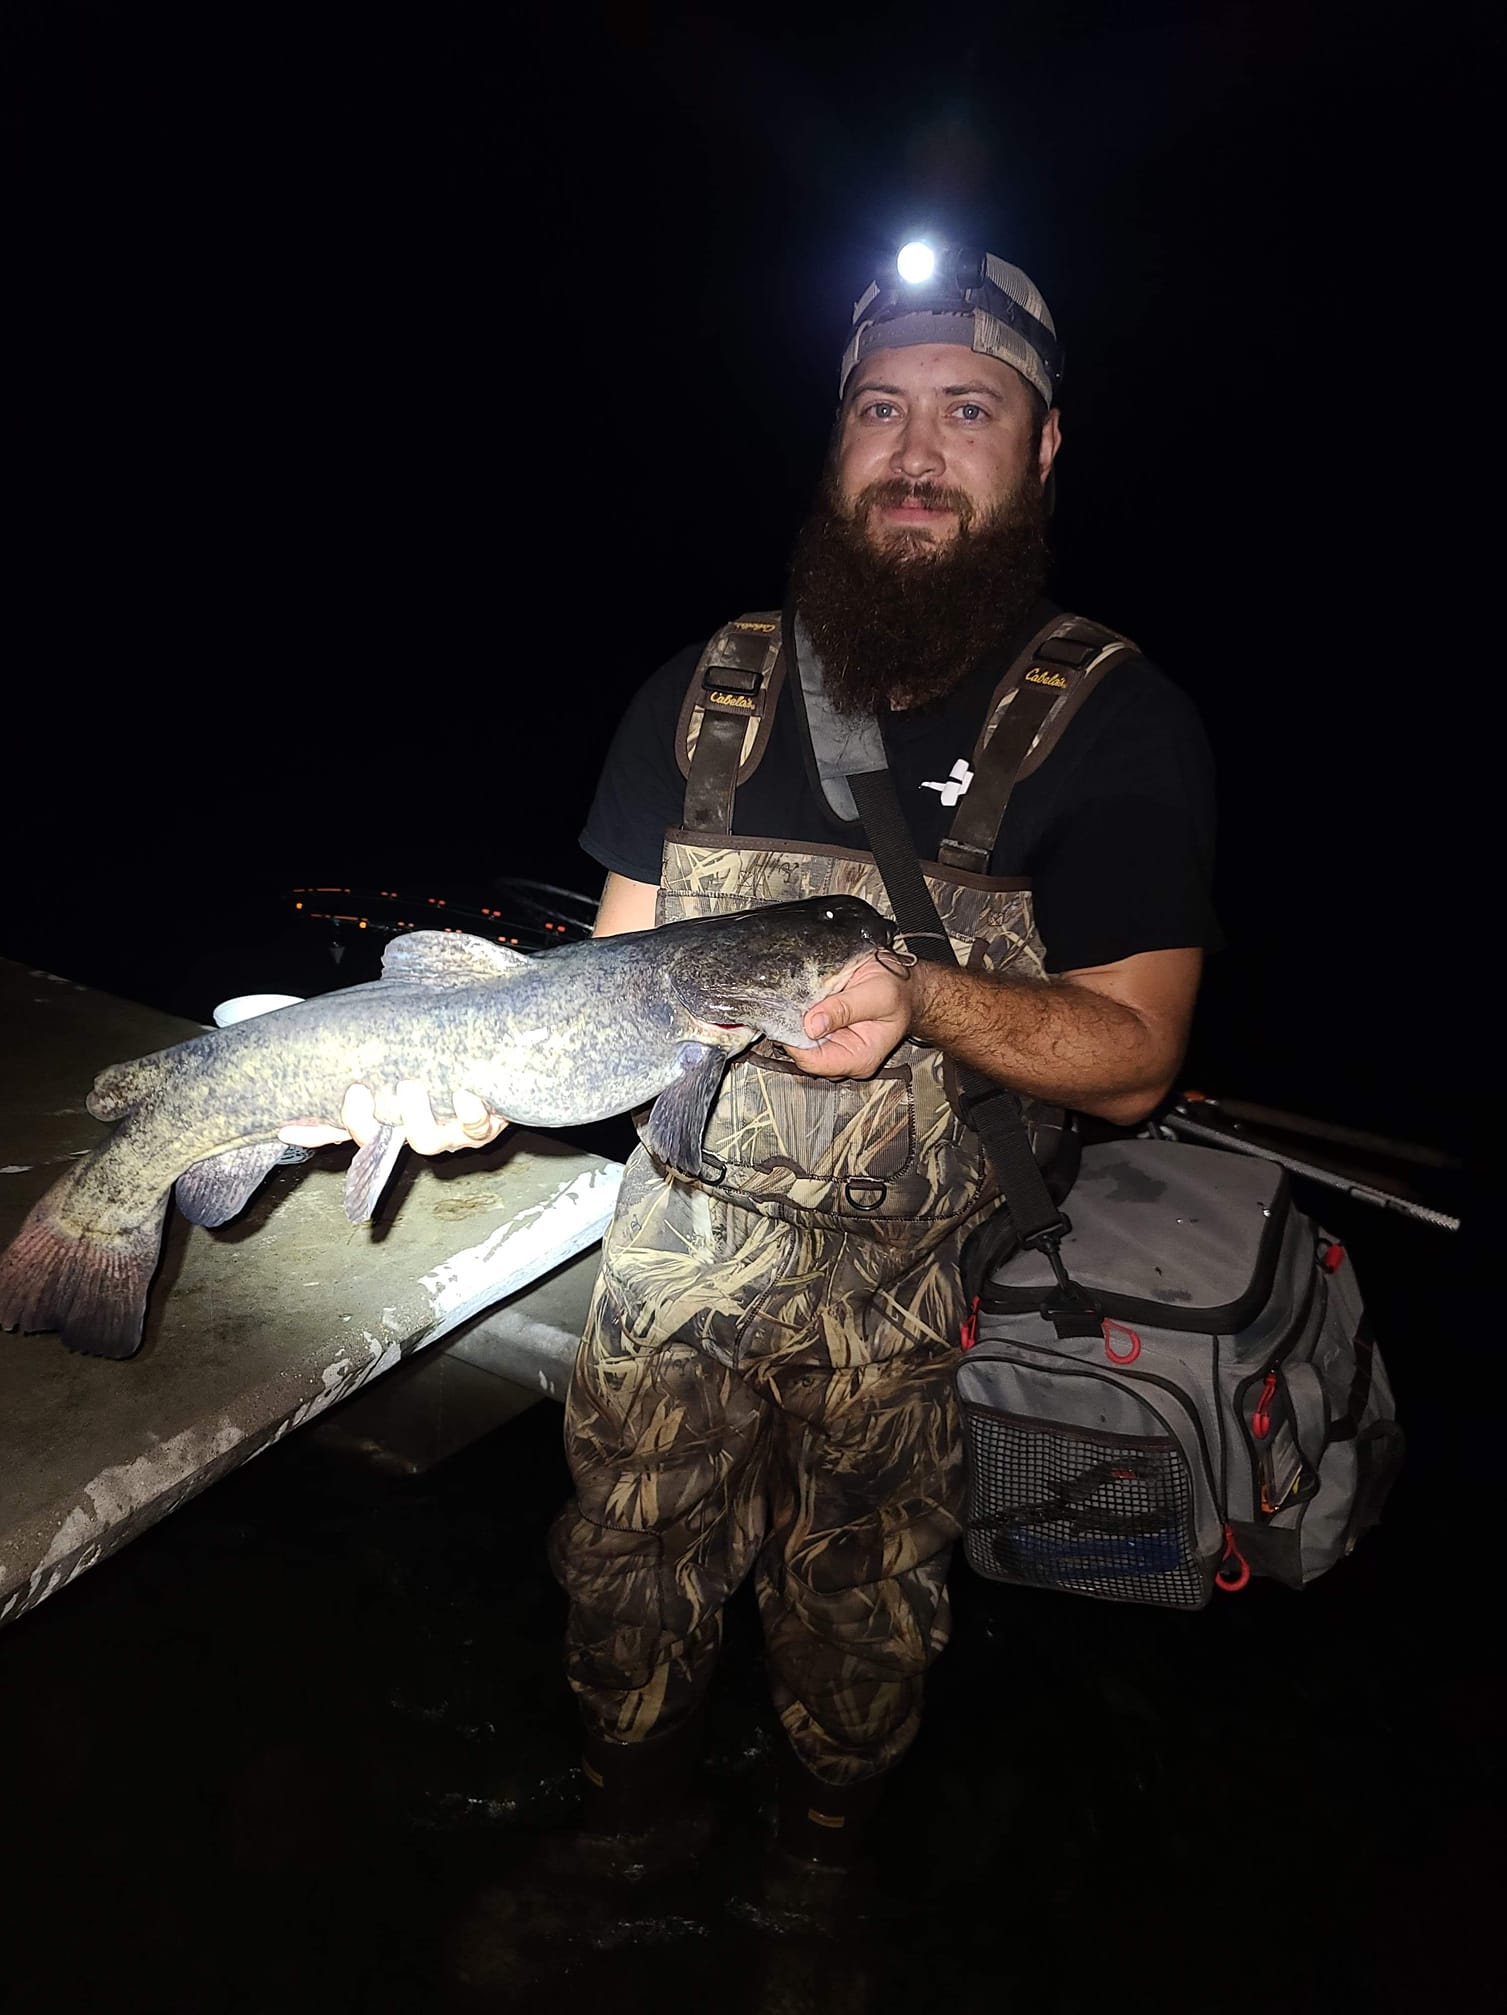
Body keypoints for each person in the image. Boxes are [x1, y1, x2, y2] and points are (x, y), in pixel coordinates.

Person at [281, 243, 1218, 1878]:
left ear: (1043, 446)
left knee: (861, 1614)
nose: (917, 452)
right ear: (837, 435)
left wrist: (921, 999)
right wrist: (469, 1083)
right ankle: (628, 1838)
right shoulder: (703, 693)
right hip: (676, 1240)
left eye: (968, 410)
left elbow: (1134, 1059)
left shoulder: (1118, 723)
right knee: (623, 1566)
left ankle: (818, 1880)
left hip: (908, 1283)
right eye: (880, 407)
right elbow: (610, 994)